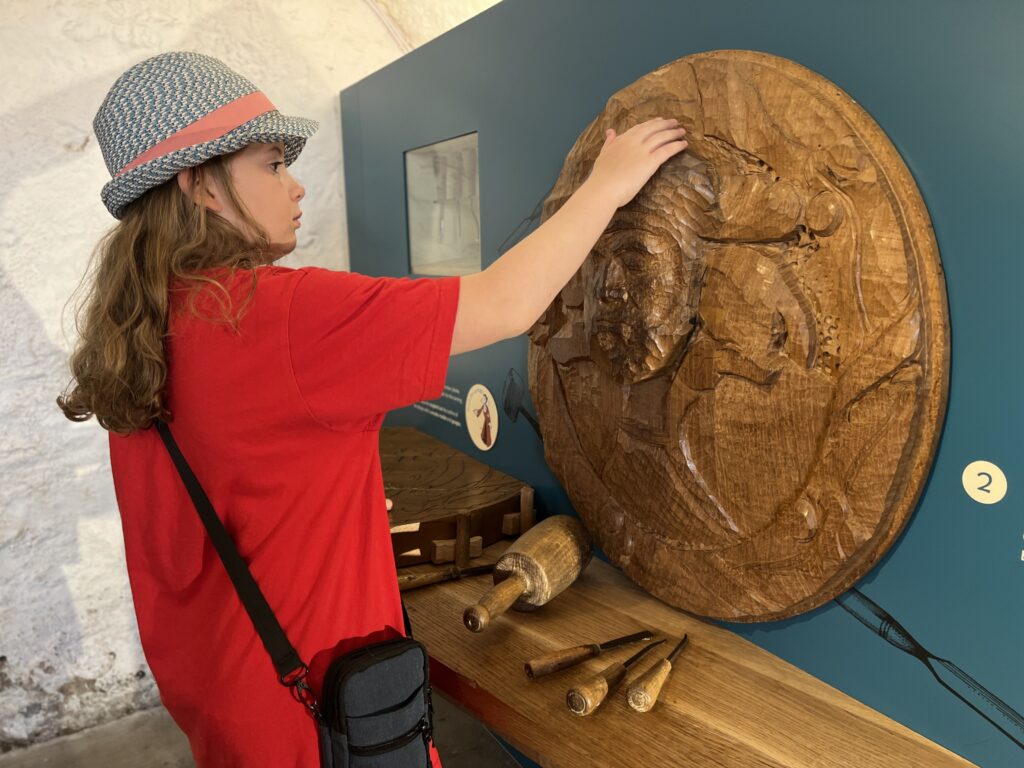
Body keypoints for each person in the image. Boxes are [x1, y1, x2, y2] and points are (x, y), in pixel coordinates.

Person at [57, 51, 687, 767]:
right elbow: (505, 303)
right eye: (270, 164)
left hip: (228, 706)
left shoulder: (139, 331)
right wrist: (607, 187)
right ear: (199, 184)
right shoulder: (280, 317)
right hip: (325, 716)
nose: (295, 187)